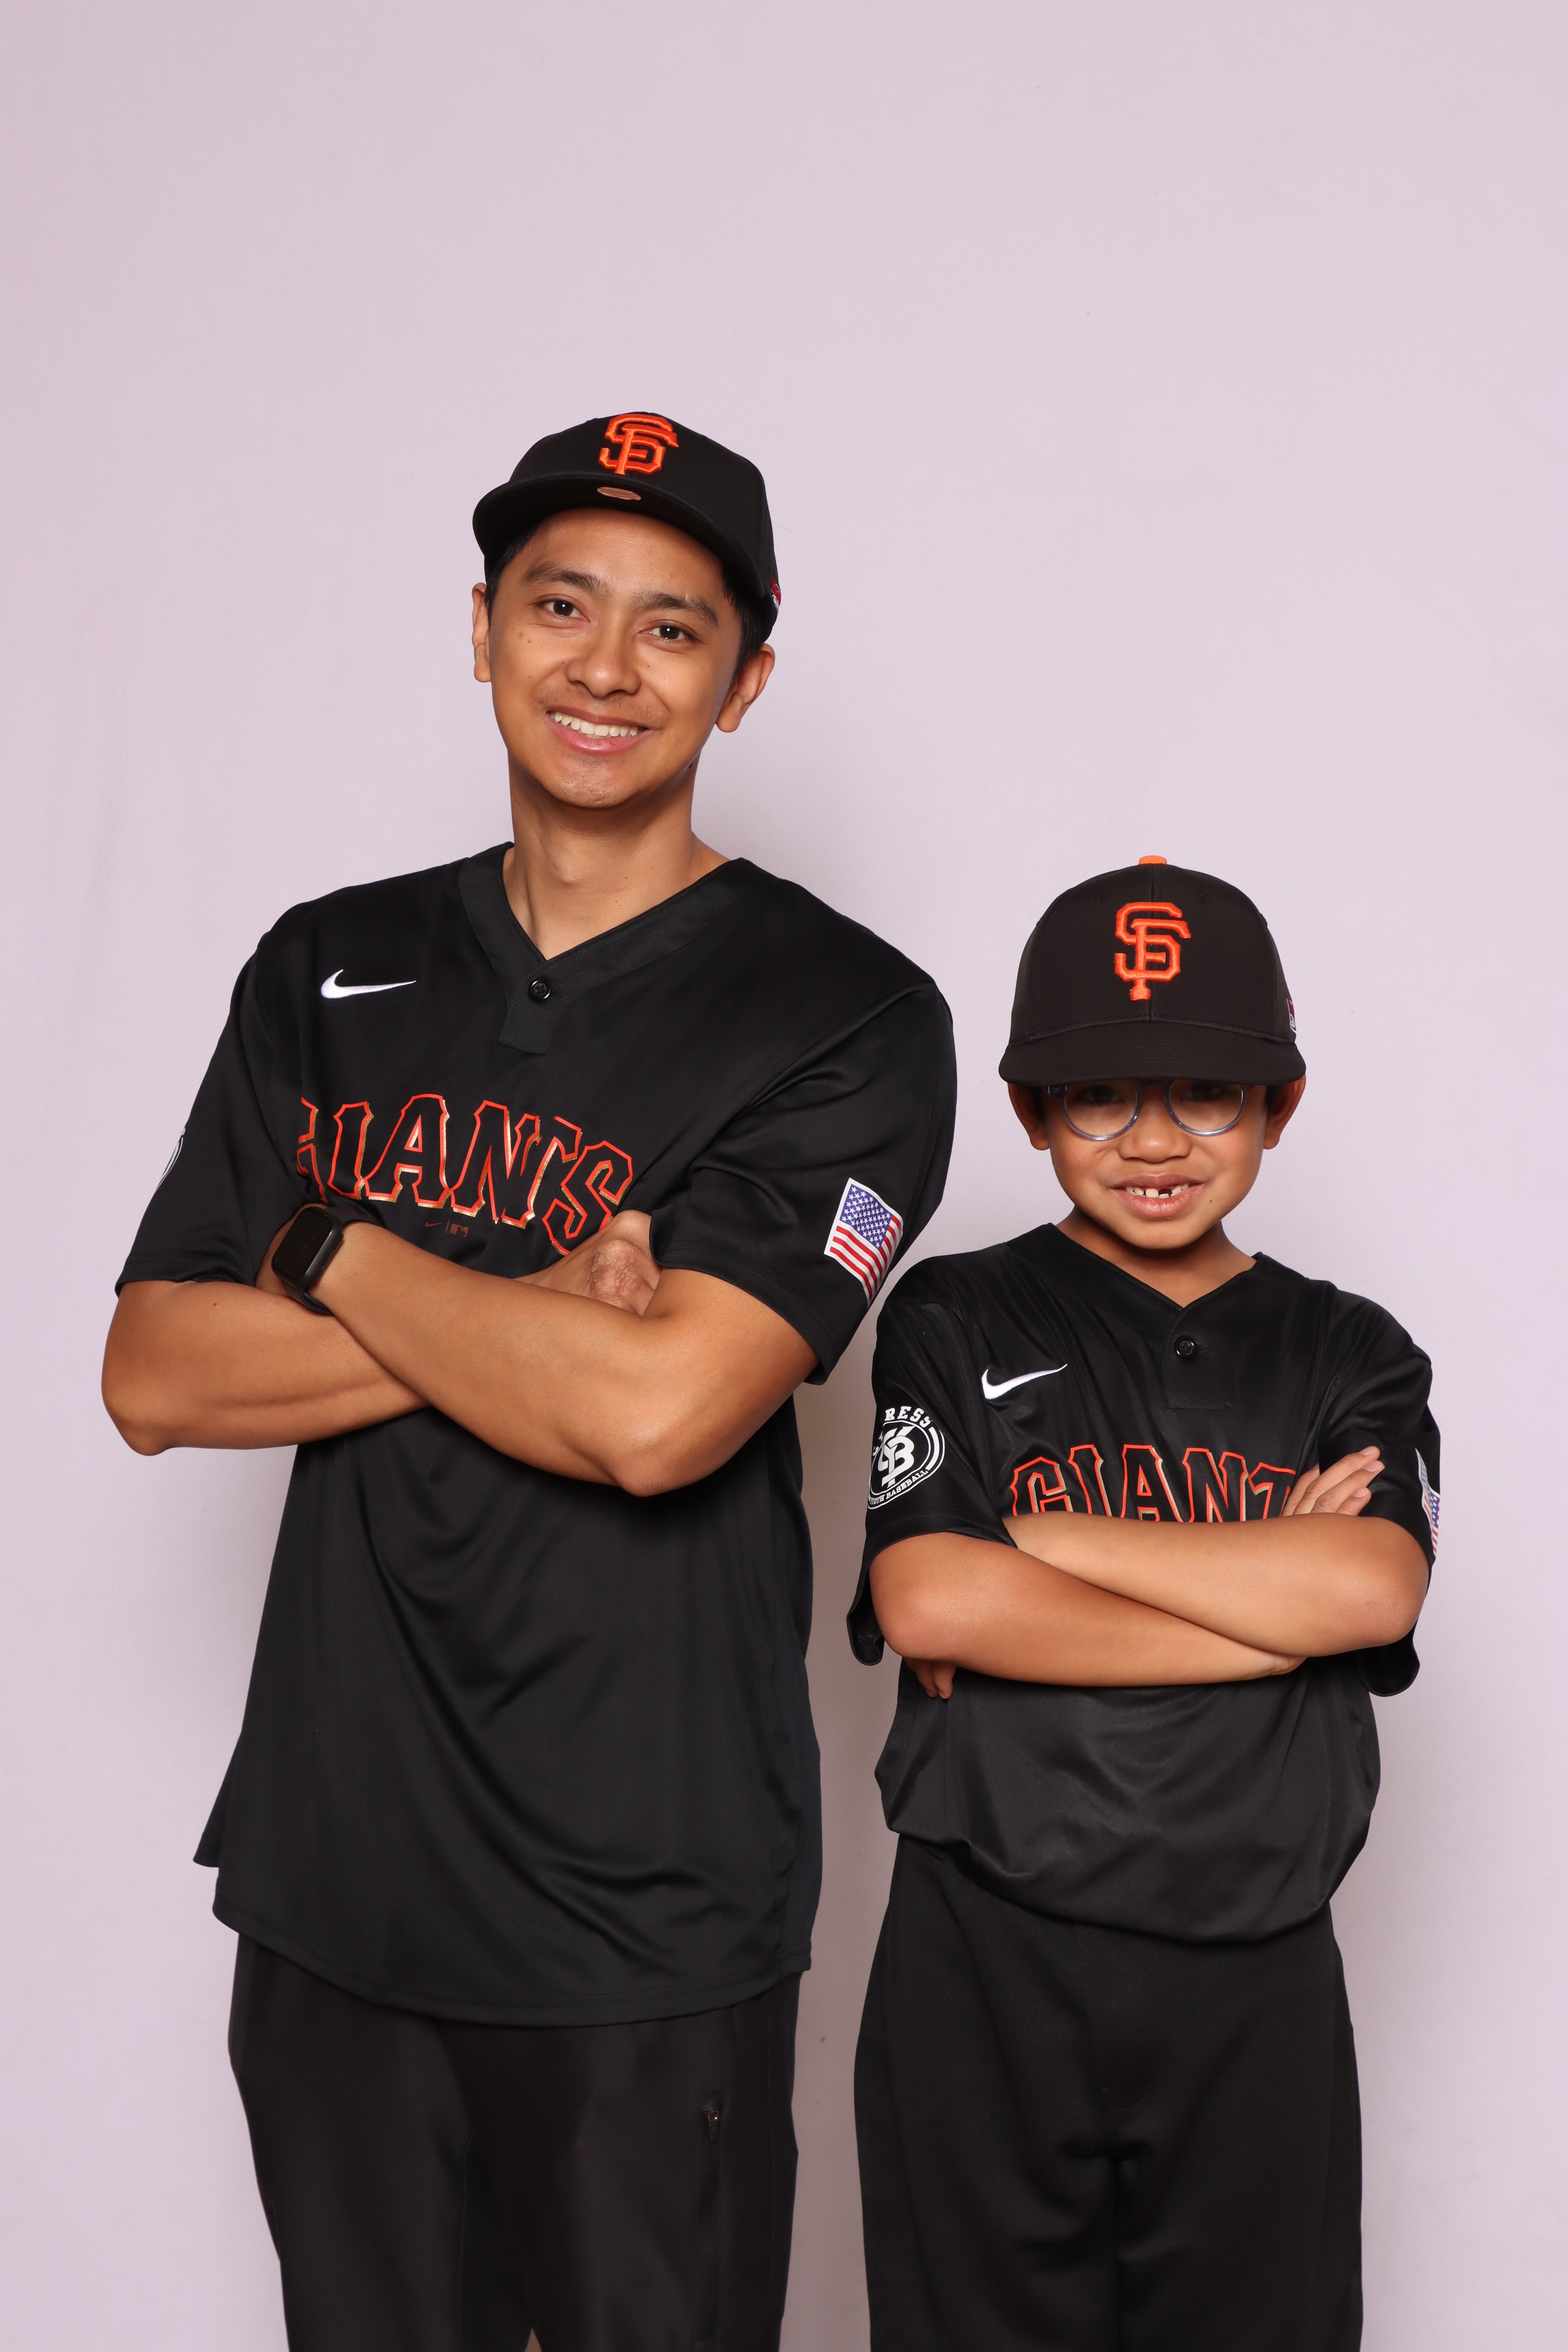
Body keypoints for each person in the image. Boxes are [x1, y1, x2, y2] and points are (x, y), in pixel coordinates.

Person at [102, 411, 956, 2352]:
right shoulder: (327, 967)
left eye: (673, 627)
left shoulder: (845, 1014)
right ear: (480, 628)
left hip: (645, 1916)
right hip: (334, 1884)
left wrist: (328, 1250)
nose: (605, 666)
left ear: (745, 682)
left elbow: (656, 1418)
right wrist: (530, 1315)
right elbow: (153, 1369)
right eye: (560, 605)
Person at [847, 857, 1437, 2352]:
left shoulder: (1348, 1350)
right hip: (984, 1949)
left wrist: (1052, 1537)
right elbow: (933, 1599)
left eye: (1208, 1096)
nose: (1155, 1141)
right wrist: (1268, 1618)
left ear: (1279, 1107)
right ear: (1031, 1111)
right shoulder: (958, 1310)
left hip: (1257, 1957)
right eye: (1101, 1097)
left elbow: (1370, 1588)